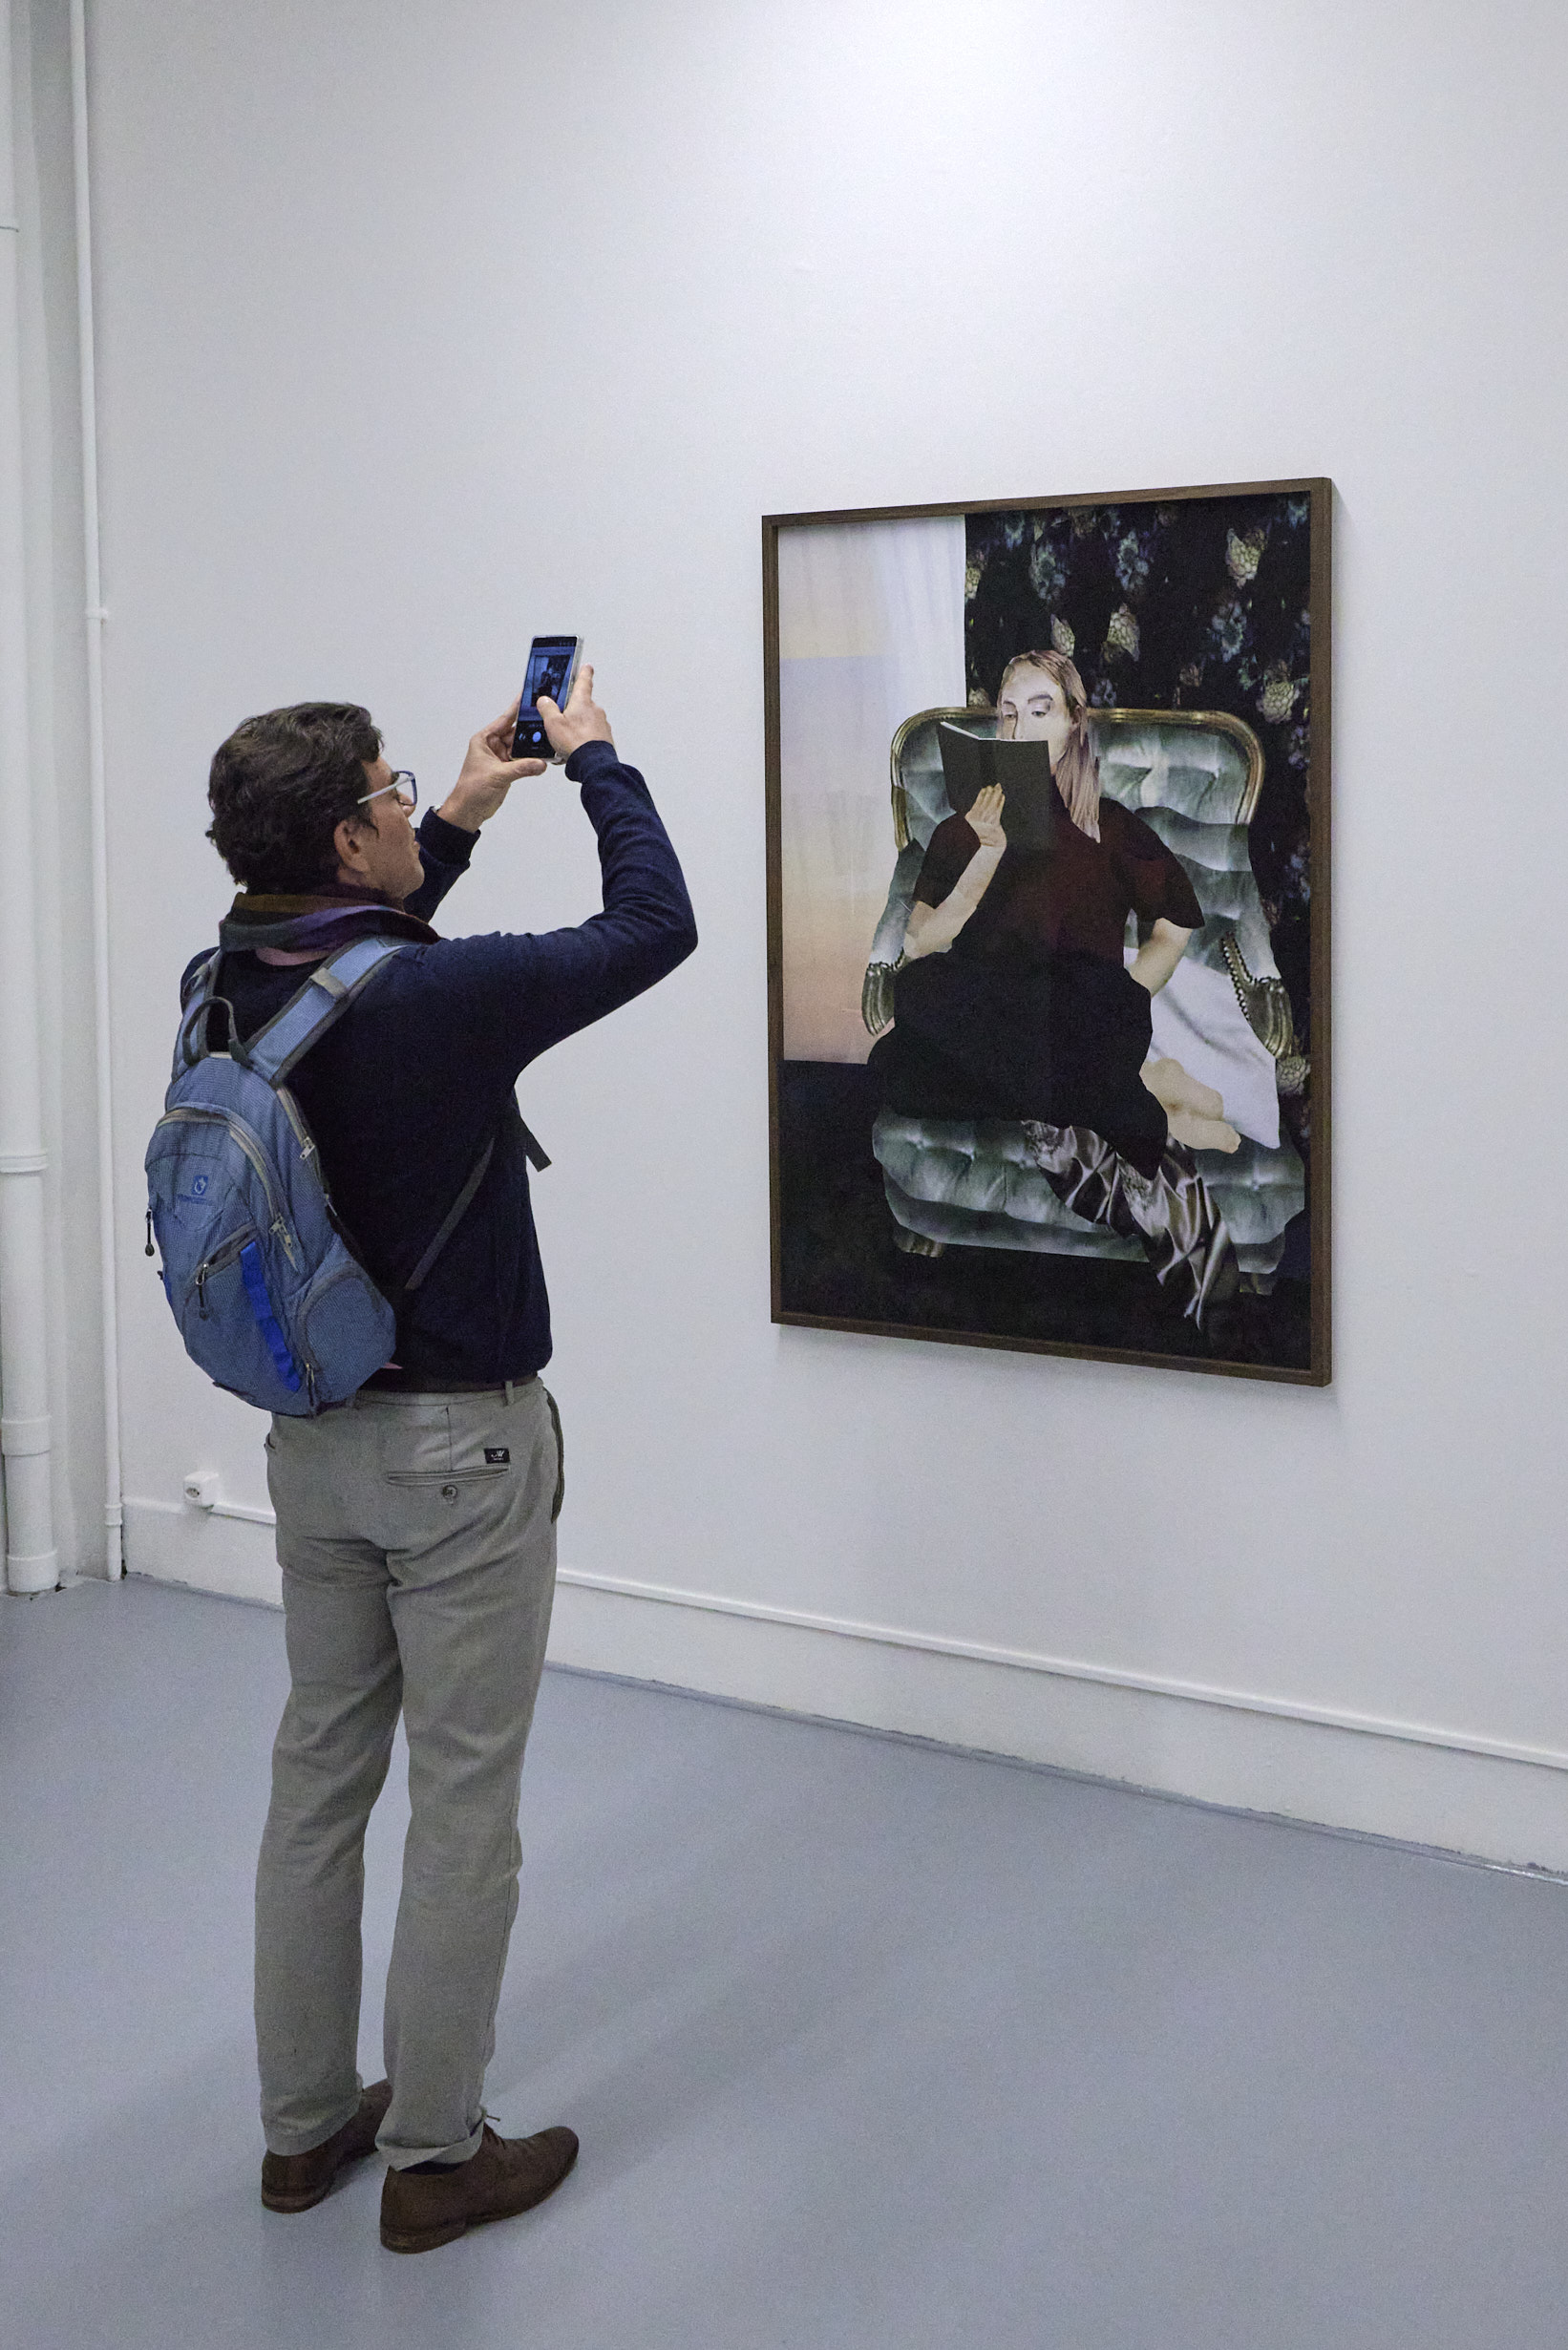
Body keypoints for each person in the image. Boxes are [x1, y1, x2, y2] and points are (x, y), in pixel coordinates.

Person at [189, 667, 696, 2253]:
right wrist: (597, 761)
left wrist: (464, 815)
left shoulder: (227, 981)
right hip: (459, 1452)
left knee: (316, 1784)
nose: (415, 800)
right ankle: (432, 2155)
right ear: (349, 841)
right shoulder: (438, 998)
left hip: (311, 1443)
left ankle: (300, 2132)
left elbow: (361, 974)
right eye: (395, 792)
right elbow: (653, 925)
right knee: (465, 1801)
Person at [870, 647, 1235, 1322]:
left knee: (1064, 1008)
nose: (1021, 728)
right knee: (909, 1016)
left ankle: (1127, 1092)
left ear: (1073, 723)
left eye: (1041, 711)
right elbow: (921, 943)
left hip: (1083, 1006)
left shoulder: (1112, 827)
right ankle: (1135, 1097)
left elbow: (1176, 925)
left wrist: (1131, 993)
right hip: (990, 1010)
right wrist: (986, 854)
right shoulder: (958, 833)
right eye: (1008, 715)